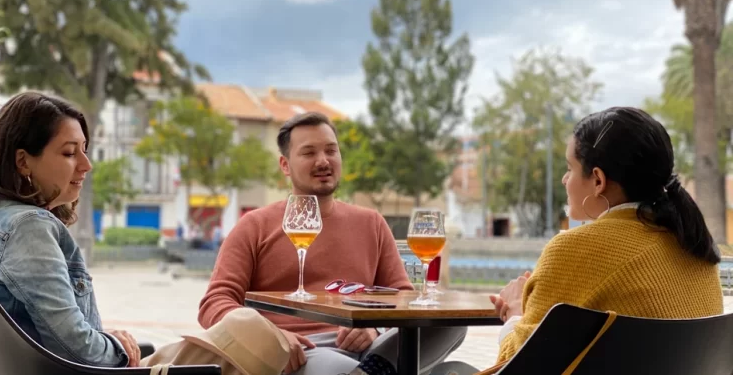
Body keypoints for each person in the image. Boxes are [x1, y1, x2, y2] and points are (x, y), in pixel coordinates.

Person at [199, 112, 467, 375]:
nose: (323, 161)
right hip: (302, 350)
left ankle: (368, 373)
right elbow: (215, 302)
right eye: (309, 153)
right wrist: (269, 337)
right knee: (342, 367)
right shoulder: (254, 225)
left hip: (373, 349)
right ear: (285, 165)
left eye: (331, 150)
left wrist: (374, 328)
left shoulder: (371, 222)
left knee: (449, 322)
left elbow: (403, 299)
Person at [488, 107, 724, 364]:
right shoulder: (696, 246)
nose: (564, 180)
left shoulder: (574, 250)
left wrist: (515, 314)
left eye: (570, 168)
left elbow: (517, 364)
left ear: (598, 180)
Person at [0, 92, 139, 368]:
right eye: (69, 153)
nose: (86, 165)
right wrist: (119, 347)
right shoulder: (27, 228)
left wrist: (107, 341)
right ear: (23, 161)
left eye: (84, 150)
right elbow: (77, 349)